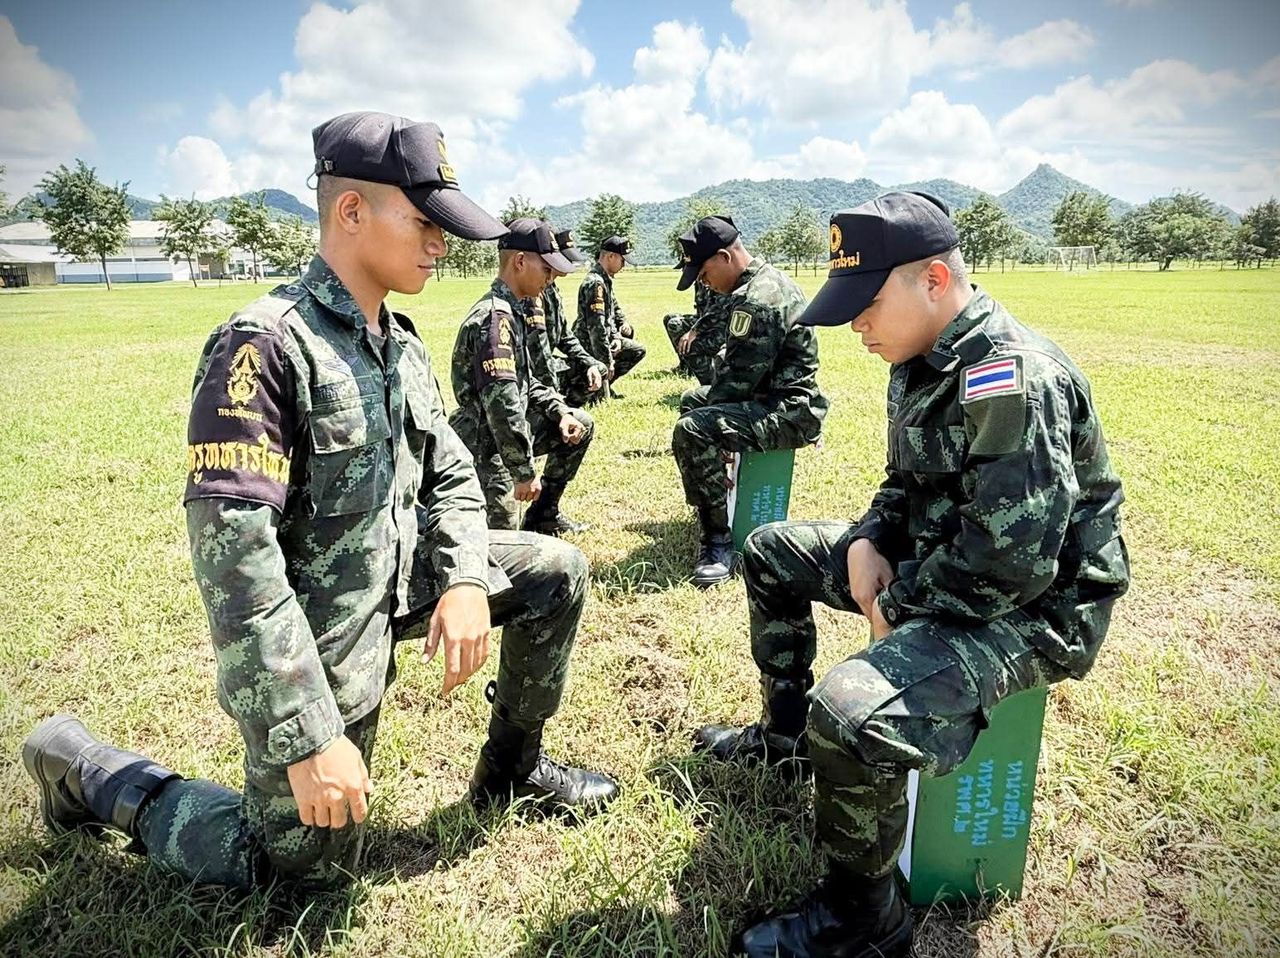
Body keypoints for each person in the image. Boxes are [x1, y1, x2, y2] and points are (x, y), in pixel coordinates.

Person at [21, 112, 617, 893]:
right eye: (425, 223)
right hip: (320, 623)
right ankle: (87, 771)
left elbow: (451, 473)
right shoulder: (264, 344)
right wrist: (306, 735)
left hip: (398, 572)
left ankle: (513, 770)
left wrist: (468, 577)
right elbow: (237, 560)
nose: (441, 243)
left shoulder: (398, 343)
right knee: (293, 867)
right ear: (351, 211)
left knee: (555, 571)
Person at [698, 192, 1130, 958]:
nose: (855, 325)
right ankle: (786, 735)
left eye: (866, 305)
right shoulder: (920, 357)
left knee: (854, 708)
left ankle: (866, 919)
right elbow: (905, 484)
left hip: (1031, 613)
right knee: (769, 550)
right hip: (943, 564)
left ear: (933, 279)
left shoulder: (1011, 378)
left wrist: (890, 600)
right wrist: (869, 538)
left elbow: (1009, 566)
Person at [670, 215, 829, 587]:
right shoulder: (758, 283)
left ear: (725, 257)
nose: (702, 282)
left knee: (693, 429)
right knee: (694, 399)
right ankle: (715, 494)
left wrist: (714, 421)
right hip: (775, 398)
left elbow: (736, 383)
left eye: (703, 273)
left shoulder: (758, 300)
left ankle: (718, 542)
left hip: (790, 411)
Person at [450, 218, 594, 535]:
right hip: (485, 445)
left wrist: (561, 411)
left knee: (580, 424)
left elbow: (525, 384)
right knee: (501, 545)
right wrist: (523, 471)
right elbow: (502, 406)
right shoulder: (495, 318)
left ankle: (544, 516)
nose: (550, 278)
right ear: (519, 262)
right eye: (546, 269)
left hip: (501, 435)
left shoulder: (512, 309)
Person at [528, 228, 607, 401]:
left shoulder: (552, 290)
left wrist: (589, 362)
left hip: (549, 362)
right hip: (533, 370)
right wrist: (552, 397)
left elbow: (565, 337)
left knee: (597, 368)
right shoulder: (533, 292)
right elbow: (538, 354)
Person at [568, 234, 645, 403]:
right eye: (622, 260)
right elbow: (597, 328)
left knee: (636, 349)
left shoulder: (604, 280)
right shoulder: (595, 283)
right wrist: (607, 361)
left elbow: (614, 310)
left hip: (604, 339)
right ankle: (592, 388)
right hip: (589, 343)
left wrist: (618, 334)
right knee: (596, 385)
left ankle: (603, 385)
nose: (624, 264)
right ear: (611, 257)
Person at [663, 277, 732, 385]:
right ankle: (686, 366)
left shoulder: (718, 278)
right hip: (708, 321)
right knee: (670, 319)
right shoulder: (700, 280)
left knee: (683, 334)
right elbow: (702, 310)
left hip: (722, 327)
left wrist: (695, 330)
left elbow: (717, 312)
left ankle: (710, 384)